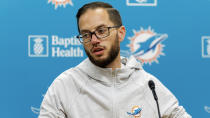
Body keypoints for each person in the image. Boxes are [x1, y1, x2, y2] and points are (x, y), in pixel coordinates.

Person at [38, 2, 191, 118]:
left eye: (101, 31)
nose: (94, 40)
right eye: (86, 35)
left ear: (121, 33)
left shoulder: (148, 85)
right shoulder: (65, 85)